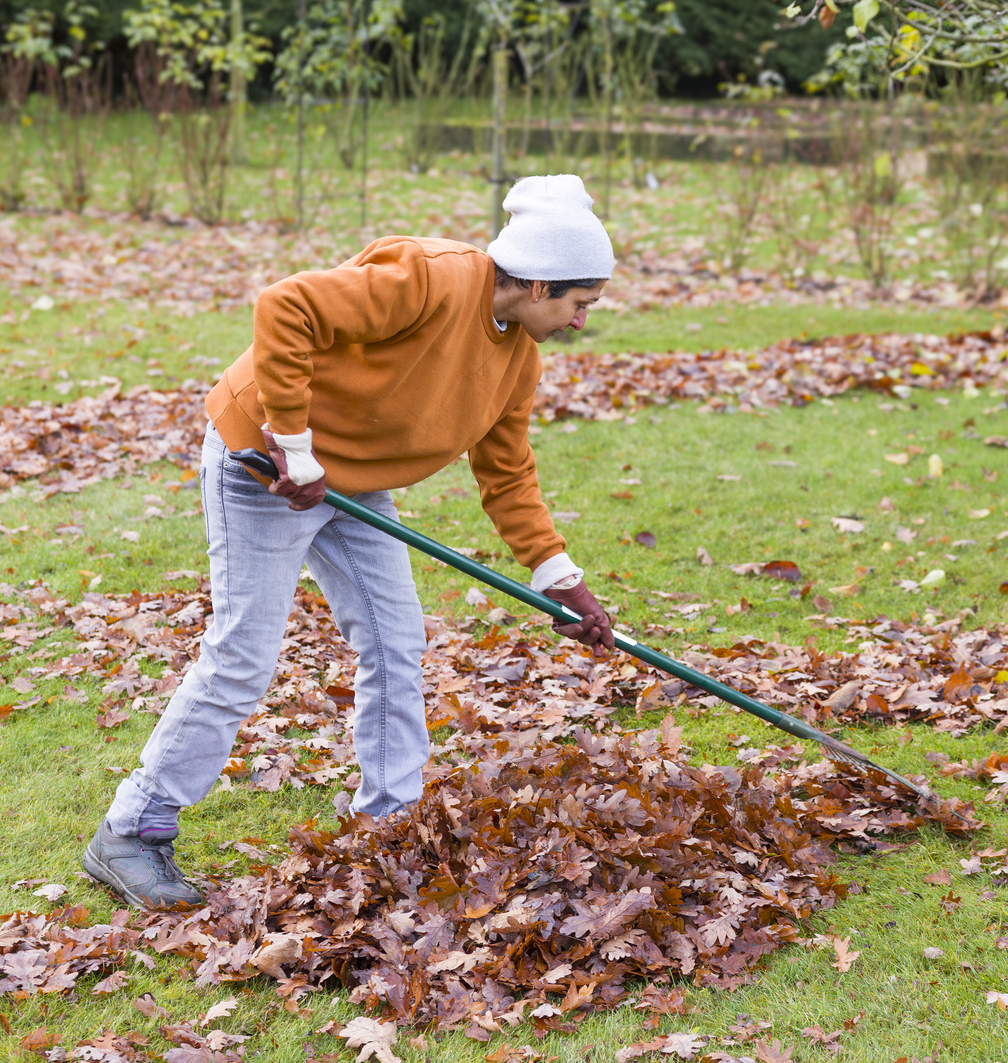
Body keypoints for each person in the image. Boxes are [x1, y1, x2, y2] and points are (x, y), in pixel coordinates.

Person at [81, 174, 617, 909]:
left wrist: (560, 579)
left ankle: (387, 823)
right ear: (538, 283)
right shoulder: (432, 279)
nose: (583, 321)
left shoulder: (517, 359)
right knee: (243, 654)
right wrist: (294, 447)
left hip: (351, 481)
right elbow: (286, 305)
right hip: (265, 463)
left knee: (397, 641)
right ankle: (131, 831)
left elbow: (508, 477)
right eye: (580, 304)